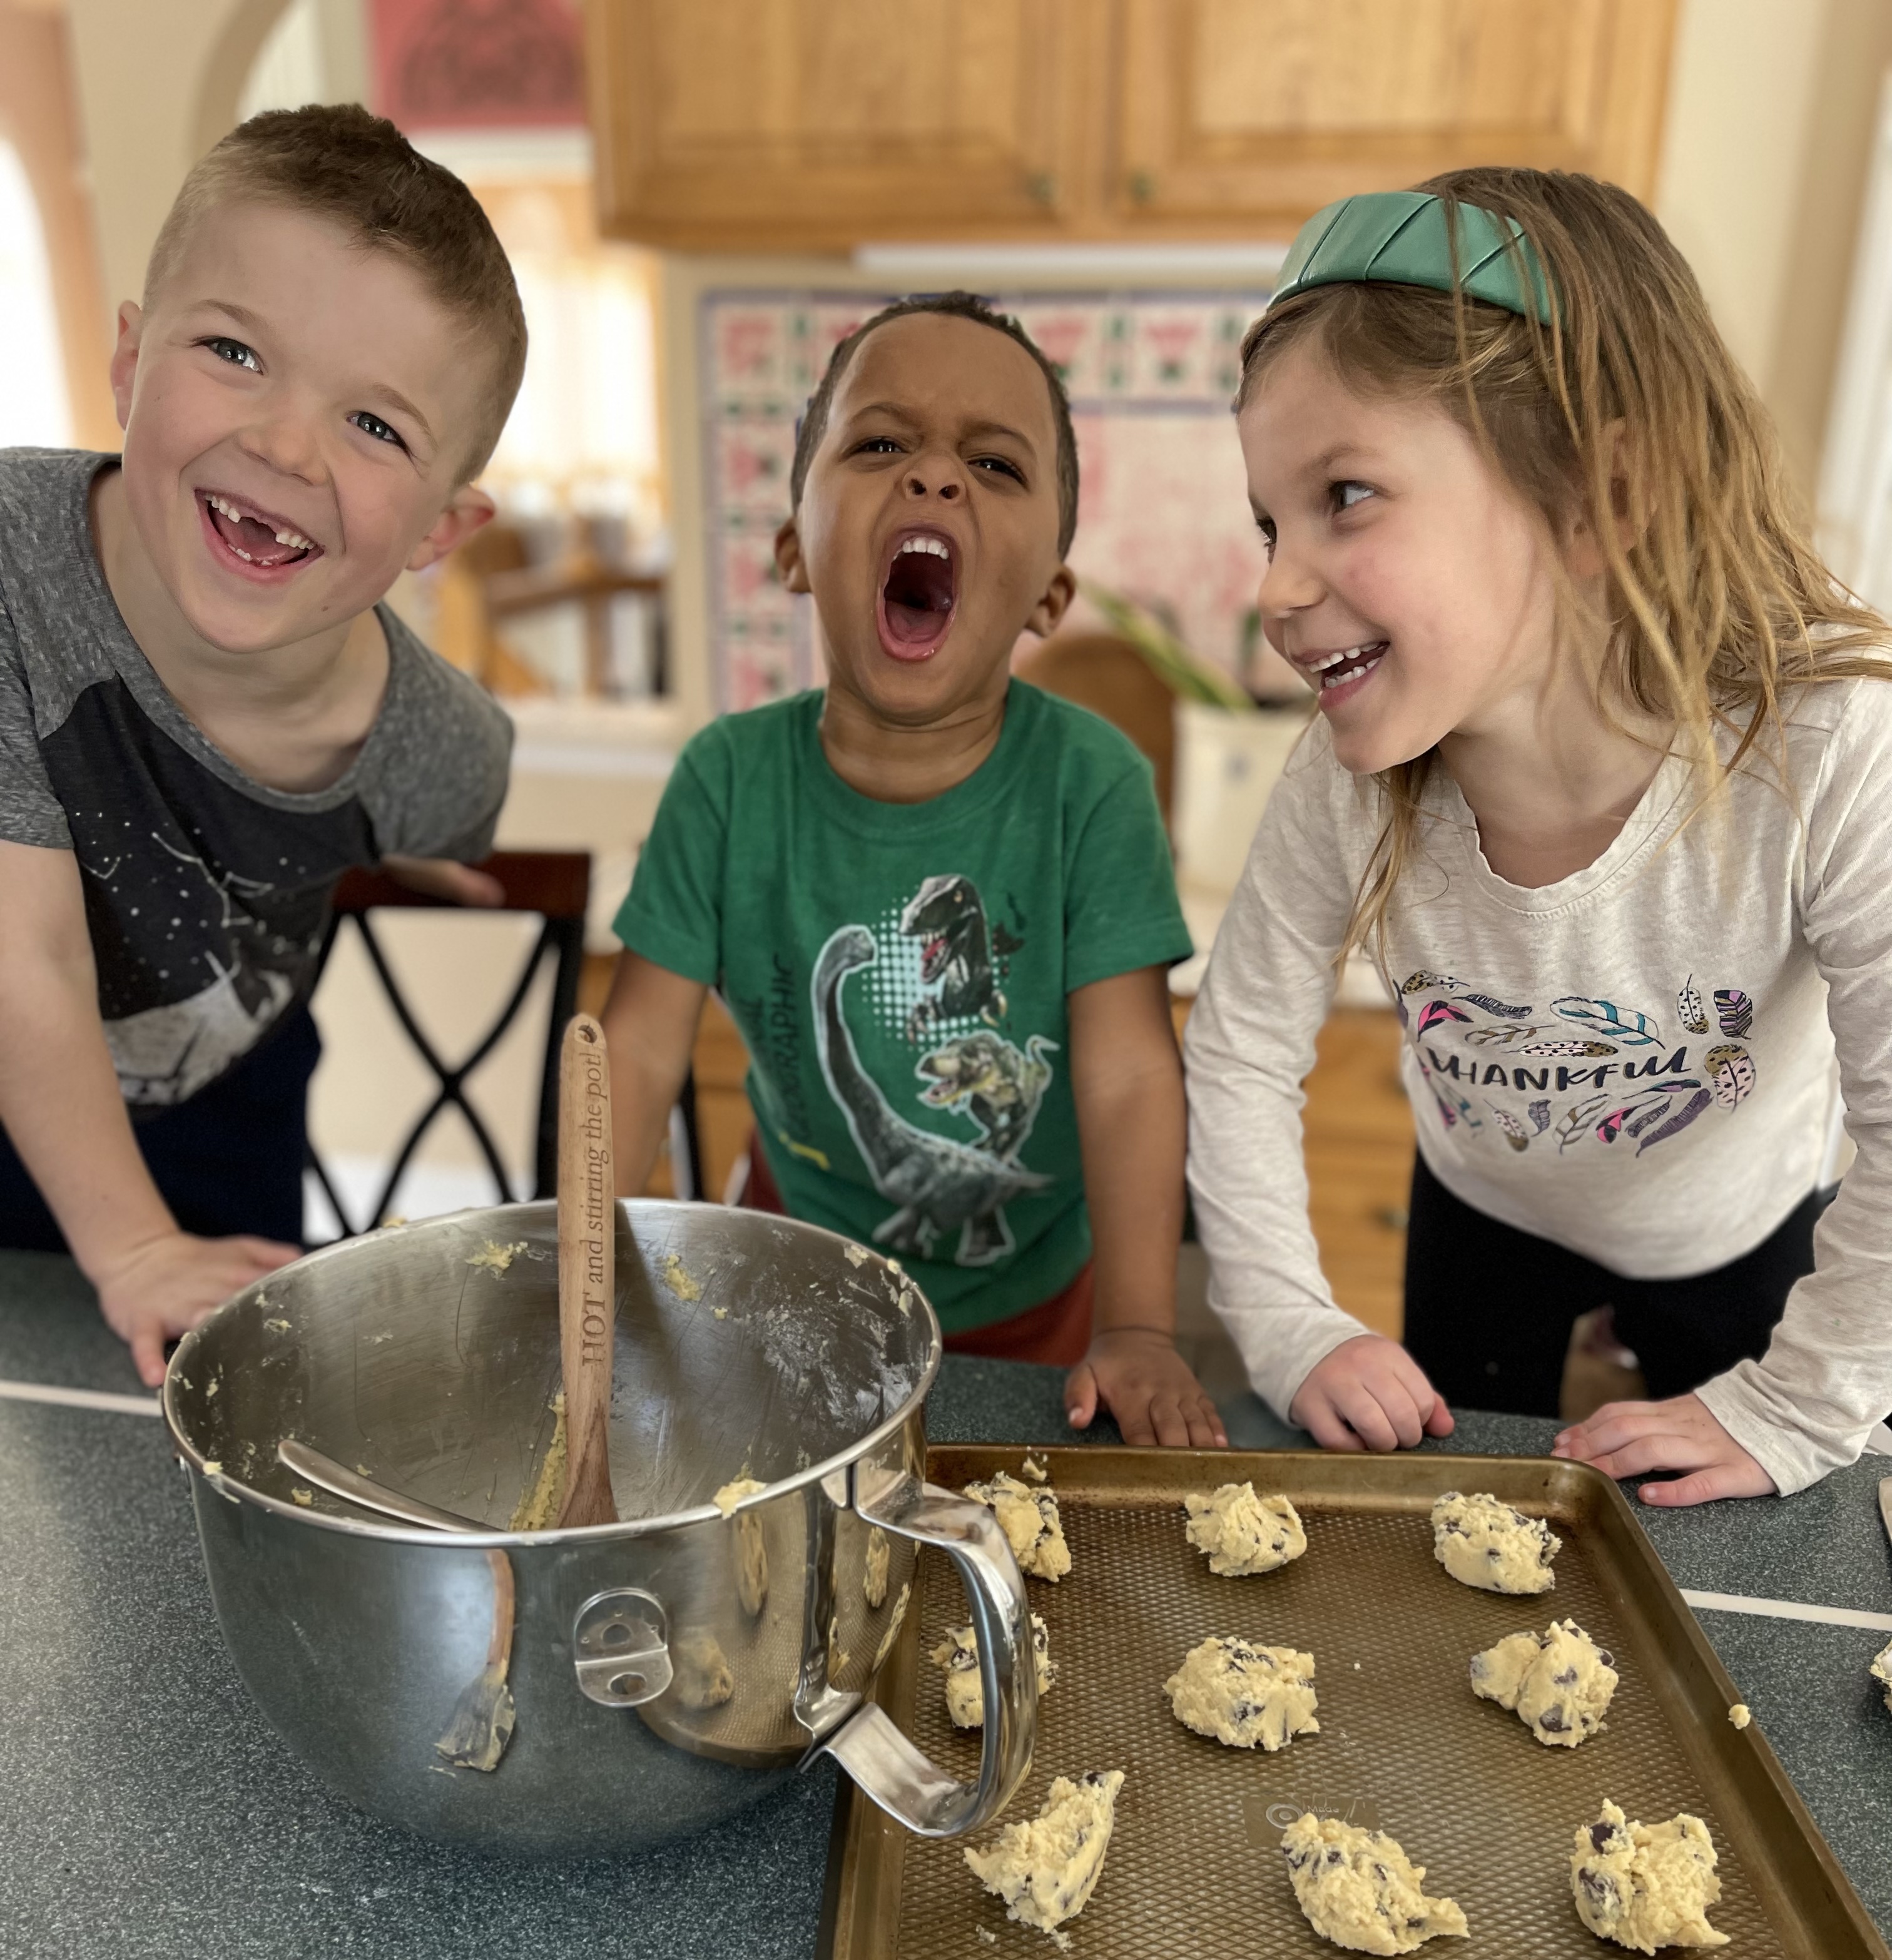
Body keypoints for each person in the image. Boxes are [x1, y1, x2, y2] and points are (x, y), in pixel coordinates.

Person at [1186, 170, 1892, 1505]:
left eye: (1346, 495)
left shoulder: (1833, 748)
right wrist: (1290, 1325)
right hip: (1483, 1212)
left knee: (1728, 1550)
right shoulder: (1345, 781)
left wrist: (1800, 1406)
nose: (1276, 588)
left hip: (1734, 1228)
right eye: (1269, 520)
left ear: (1598, 493)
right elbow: (1237, 1056)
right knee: (1464, 1531)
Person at [603, 293, 1224, 1447]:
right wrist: (586, 1271)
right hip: (792, 1285)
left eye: (993, 463)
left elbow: (1133, 1076)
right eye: (881, 444)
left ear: (1047, 594)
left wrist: (1141, 1325)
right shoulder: (726, 781)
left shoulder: (1093, 784)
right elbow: (632, 1045)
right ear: (794, 548)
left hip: (1038, 1308)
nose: (935, 477)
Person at [0, 104, 522, 1383]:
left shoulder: (442, 751)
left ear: (440, 531)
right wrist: (129, 1250)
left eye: (376, 425)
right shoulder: (8, 566)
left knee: (195, 1441)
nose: (285, 444)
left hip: (225, 1109)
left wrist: (403, 858)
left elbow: (444, 839)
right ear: (128, 361)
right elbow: (25, 954)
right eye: (234, 350)